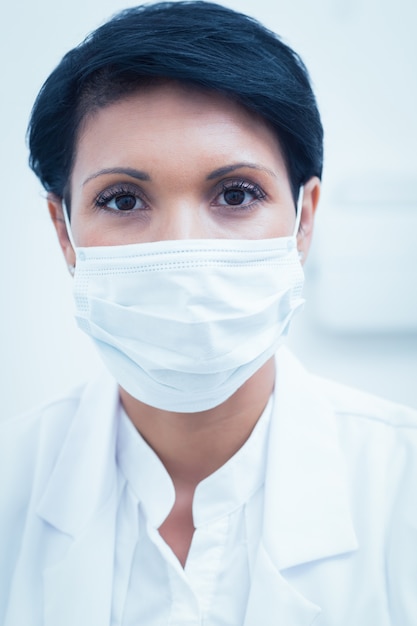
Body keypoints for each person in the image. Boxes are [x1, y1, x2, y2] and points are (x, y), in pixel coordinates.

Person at [1, 2, 416, 624]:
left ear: (303, 220)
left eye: (237, 193)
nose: (181, 249)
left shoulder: (400, 483)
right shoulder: (13, 477)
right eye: (122, 199)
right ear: (64, 232)